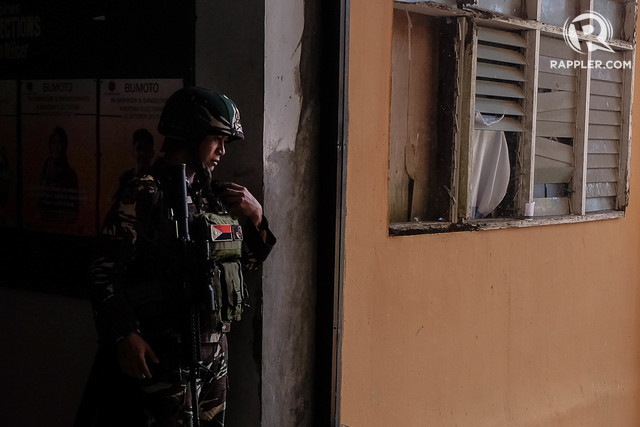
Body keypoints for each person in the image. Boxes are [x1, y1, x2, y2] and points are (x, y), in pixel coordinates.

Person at [78, 87, 276, 426]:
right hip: (163, 358)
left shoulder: (212, 197)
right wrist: (125, 334)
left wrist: (258, 220)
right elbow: (103, 270)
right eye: (216, 140)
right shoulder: (145, 192)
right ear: (191, 133)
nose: (222, 152)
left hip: (213, 355)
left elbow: (243, 267)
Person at [37, 126, 79, 222]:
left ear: (64, 146)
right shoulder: (45, 170)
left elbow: (74, 208)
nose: (56, 147)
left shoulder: (71, 174)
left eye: (59, 143)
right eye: (53, 143)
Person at [113, 128, 155, 200]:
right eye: (139, 148)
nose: (142, 153)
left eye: (146, 149)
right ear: (133, 151)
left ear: (152, 152)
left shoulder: (158, 178)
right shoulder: (126, 178)